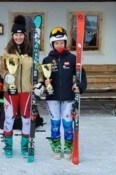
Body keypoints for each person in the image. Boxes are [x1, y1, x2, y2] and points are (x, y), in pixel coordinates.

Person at [34, 27, 87, 160]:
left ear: (65, 43)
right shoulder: (47, 60)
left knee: (68, 123)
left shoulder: (72, 58)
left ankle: (68, 146)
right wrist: (42, 85)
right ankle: (56, 145)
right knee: (55, 123)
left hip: (68, 97)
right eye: (56, 43)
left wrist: (79, 86)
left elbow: (82, 77)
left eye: (62, 43)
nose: (59, 45)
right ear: (52, 44)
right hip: (52, 97)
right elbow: (42, 77)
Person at [0, 15, 33, 158]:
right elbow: (0, 67)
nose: (19, 37)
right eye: (16, 34)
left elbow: (37, 70)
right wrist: (5, 75)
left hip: (26, 91)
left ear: (25, 35)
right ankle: (8, 145)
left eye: (21, 34)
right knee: (9, 119)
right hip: (10, 91)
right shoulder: (6, 52)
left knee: (26, 119)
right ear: (12, 36)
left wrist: (39, 83)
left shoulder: (31, 52)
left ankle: (24, 146)